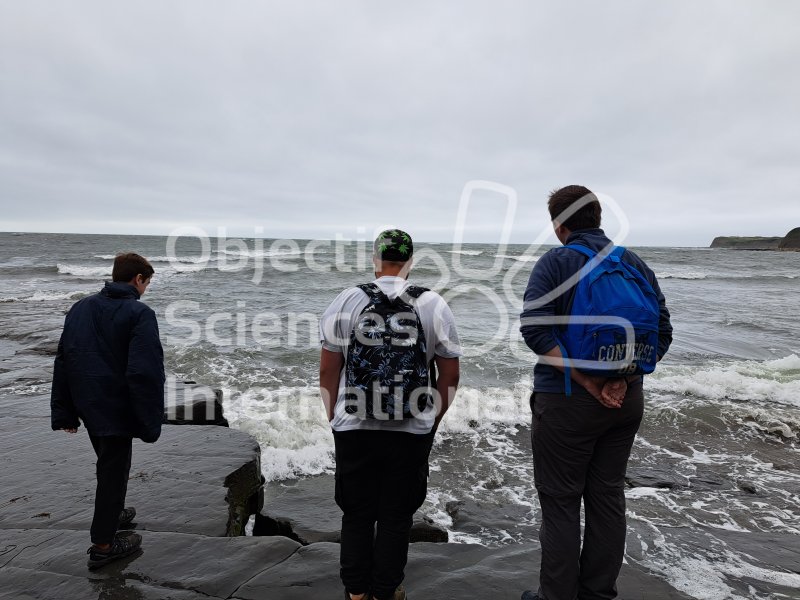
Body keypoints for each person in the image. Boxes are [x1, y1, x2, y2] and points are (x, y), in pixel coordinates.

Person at [519, 186, 672, 600]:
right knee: (606, 496)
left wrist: (588, 381)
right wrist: (624, 379)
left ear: (559, 225)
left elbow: (535, 330)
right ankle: (598, 593)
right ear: (598, 217)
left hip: (568, 399)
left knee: (561, 500)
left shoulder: (557, 261)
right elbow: (663, 330)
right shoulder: (632, 262)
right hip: (627, 401)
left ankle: (556, 596)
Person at [319, 229, 461, 600]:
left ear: (375, 259)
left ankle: (356, 593)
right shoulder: (432, 304)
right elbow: (450, 374)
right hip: (412, 428)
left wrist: (334, 416)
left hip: (354, 425)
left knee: (357, 512)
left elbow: (328, 369)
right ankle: (386, 591)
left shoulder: (347, 300)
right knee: (397, 516)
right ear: (410, 262)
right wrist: (432, 421)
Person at [51, 252, 165, 570]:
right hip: (115, 406)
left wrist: (65, 412)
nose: (146, 289)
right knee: (113, 470)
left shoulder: (80, 308)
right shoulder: (139, 313)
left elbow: (63, 358)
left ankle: (113, 513)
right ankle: (103, 544)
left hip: (87, 403)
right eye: (147, 283)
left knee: (107, 462)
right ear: (137, 280)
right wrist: (149, 420)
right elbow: (145, 371)